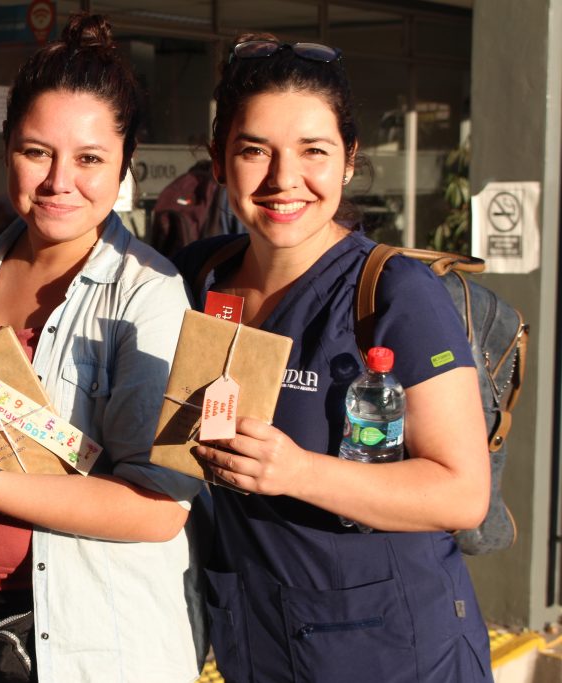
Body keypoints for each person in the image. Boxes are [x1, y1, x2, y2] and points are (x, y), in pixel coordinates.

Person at [172, 35, 493, 682]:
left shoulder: (395, 293)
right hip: (259, 644)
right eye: (254, 150)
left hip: (394, 653)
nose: (283, 178)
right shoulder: (193, 282)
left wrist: (296, 471)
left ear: (349, 160)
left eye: (313, 151)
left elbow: (463, 492)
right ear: (218, 159)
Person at [0, 14, 204, 683]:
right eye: (36, 152)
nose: (59, 180)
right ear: (6, 152)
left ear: (124, 162)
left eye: (88, 159)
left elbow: (160, 509)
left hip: (86, 639)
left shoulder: (149, 297)